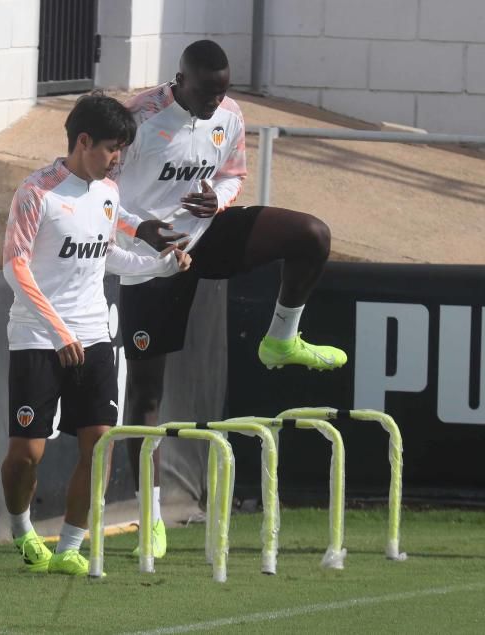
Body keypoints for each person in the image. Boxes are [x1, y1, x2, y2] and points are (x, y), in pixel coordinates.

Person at [113, 39, 347, 558]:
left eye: (224, 91)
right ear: (181, 79)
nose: (217, 102)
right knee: (148, 393)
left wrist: (218, 196)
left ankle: (281, 340)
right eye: (207, 92)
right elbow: (98, 191)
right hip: (153, 253)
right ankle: (150, 518)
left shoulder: (230, 115)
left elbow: (234, 172)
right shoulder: (136, 118)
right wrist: (137, 229)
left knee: (311, 234)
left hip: (208, 234)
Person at [0, 93, 191, 576]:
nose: (118, 158)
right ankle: (22, 529)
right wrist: (57, 328)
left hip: (94, 333)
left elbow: (106, 256)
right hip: (38, 336)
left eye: (122, 148)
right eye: (111, 147)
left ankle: (69, 546)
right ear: (82, 141)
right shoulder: (36, 192)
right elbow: (14, 266)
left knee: (99, 441)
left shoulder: (107, 192)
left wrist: (160, 265)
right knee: (28, 454)